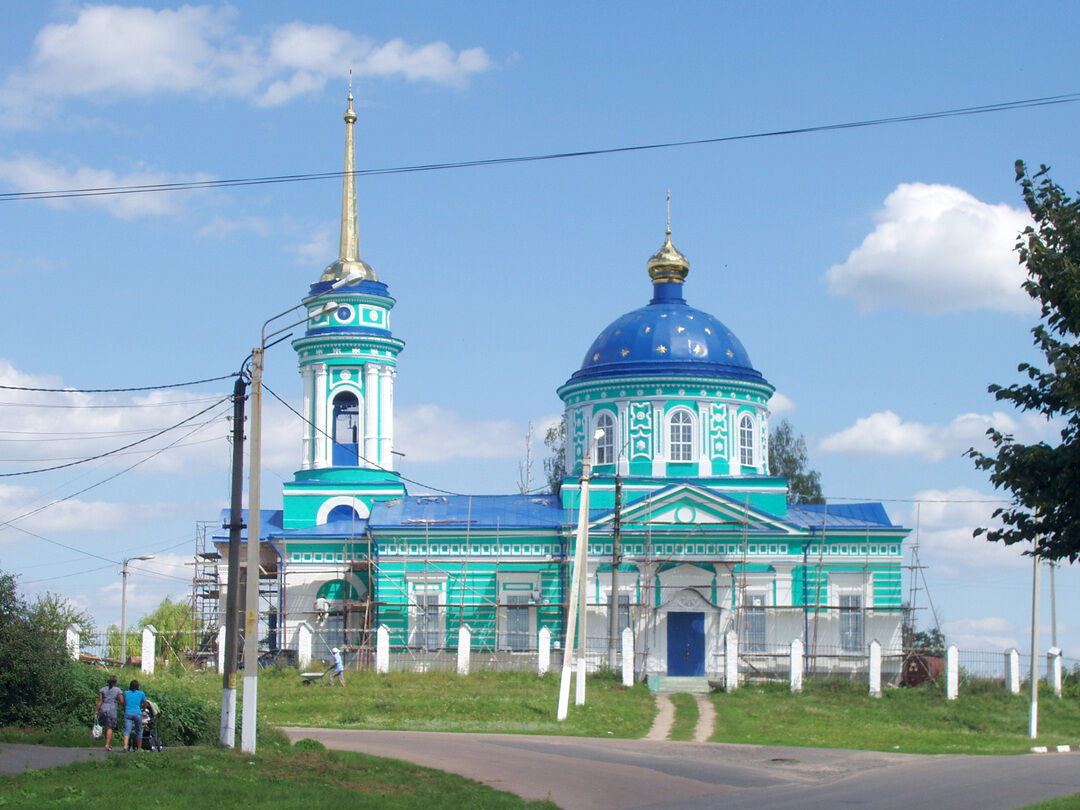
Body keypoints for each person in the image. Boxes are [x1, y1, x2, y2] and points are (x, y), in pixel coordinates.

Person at [93, 674, 123, 751]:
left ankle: (108, 743)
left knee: (106, 726)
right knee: (109, 727)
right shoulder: (118, 690)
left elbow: (100, 701)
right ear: (115, 682)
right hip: (112, 709)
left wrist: (96, 711)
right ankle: (107, 744)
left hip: (103, 708)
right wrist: (125, 707)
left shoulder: (102, 689)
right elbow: (121, 700)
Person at [121, 679, 147, 751]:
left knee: (127, 730)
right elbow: (145, 703)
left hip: (128, 713)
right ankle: (139, 748)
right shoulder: (141, 693)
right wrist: (143, 709)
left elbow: (124, 703)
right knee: (139, 731)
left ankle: (125, 746)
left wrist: (125, 709)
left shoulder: (126, 693)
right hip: (137, 713)